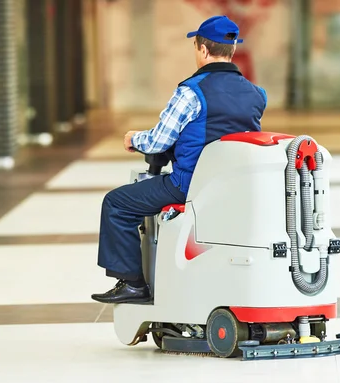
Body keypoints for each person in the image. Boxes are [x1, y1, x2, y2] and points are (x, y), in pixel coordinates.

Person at [91, 16, 267, 304]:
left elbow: (158, 141)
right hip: (236, 186)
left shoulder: (190, 92)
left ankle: (133, 284)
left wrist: (133, 139)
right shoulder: (257, 94)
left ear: (202, 50)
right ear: (232, 50)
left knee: (117, 204)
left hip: (189, 185)